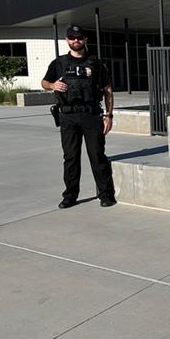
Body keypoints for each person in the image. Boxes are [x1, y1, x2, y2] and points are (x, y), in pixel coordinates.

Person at [41, 25, 116, 208]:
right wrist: (53, 86)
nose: (76, 40)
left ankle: (105, 195)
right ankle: (70, 196)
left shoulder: (95, 63)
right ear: (67, 40)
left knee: (97, 156)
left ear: (85, 40)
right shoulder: (58, 63)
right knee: (71, 158)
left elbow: (108, 91)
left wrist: (109, 115)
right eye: (72, 37)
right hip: (68, 116)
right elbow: (44, 82)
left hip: (91, 115)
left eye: (79, 37)